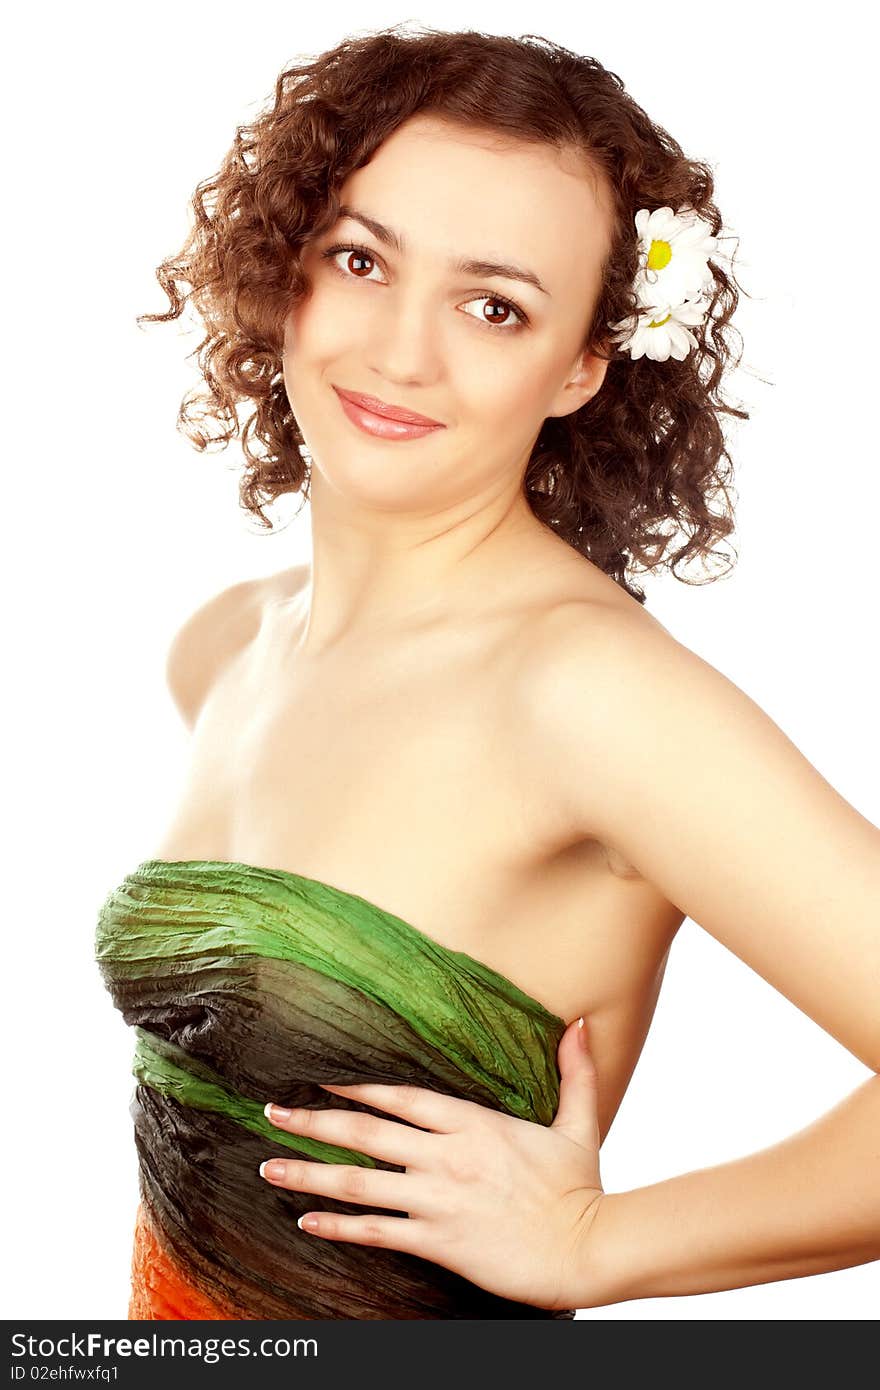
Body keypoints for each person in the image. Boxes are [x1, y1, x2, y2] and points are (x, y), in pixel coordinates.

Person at [94, 23, 880, 1320]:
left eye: (494, 304)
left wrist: (596, 1241)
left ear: (582, 364)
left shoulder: (588, 695)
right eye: (360, 258)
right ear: (285, 258)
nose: (401, 351)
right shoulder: (226, 645)